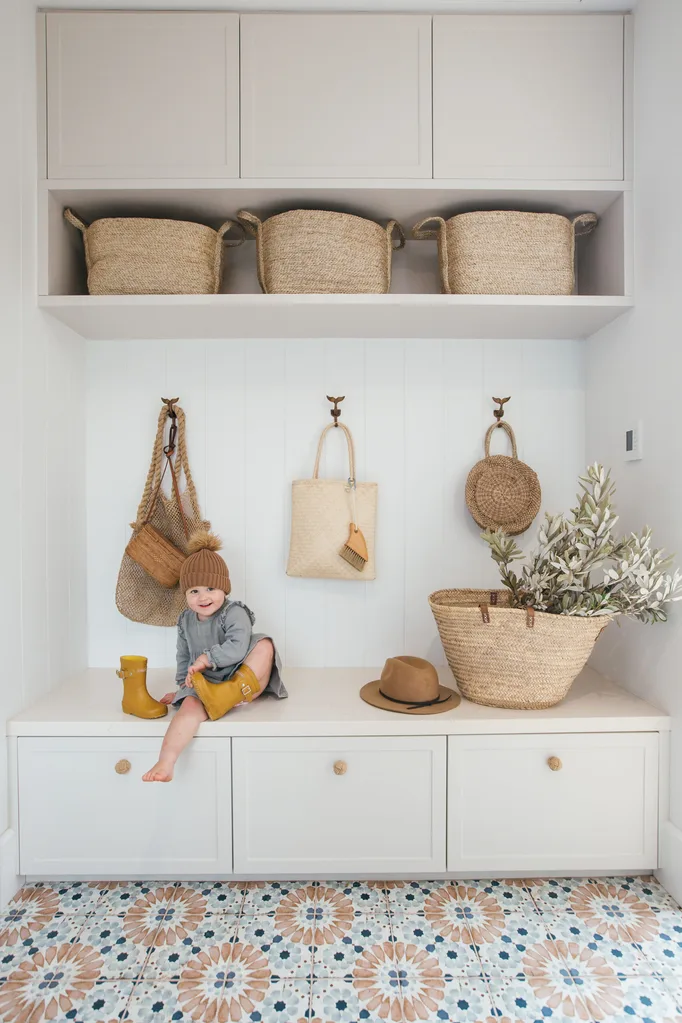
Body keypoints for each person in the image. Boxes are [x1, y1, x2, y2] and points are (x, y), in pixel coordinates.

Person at [142, 531, 286, 782]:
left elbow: (238, 648)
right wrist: (182, 686)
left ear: (224, 589)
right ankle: (166, 761)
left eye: (211, 588)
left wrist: (207, 659)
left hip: (240, 677)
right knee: (187, 710)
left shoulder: (234, 612)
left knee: (264, 645)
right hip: (205, 684)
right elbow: (183, 654)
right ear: (185, 594)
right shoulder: (185, 619)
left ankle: (228, 695)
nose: (203, 597)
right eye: (194, 591)